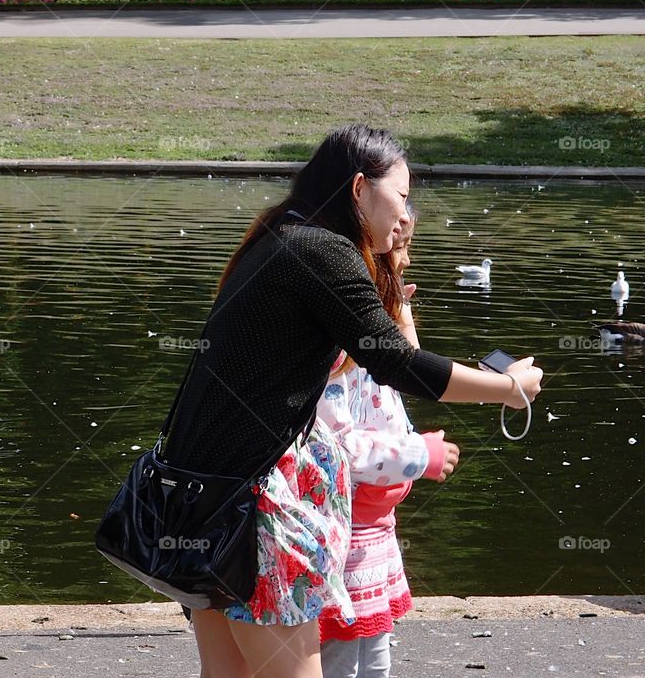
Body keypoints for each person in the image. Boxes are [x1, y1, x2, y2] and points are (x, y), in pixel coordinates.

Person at [159, 124, 542, 678]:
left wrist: (390, 264)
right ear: (360, 187)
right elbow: (397, 362)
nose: (407, 215)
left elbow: (382, 349)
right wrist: (508, 390)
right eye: (402, 197)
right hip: (251, 509)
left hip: (200, 499)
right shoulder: (320, 250)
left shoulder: (281, 236)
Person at [318, 207, 460, 678]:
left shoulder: (376, 344)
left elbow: (410, 368)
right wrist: (421, 455)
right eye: (395, 252)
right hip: (342, 532)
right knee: (340, 651)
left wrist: (398, 313)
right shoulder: (337, 353)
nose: (405, 263)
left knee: (376, 651)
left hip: (376, 527)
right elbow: (339, 447)